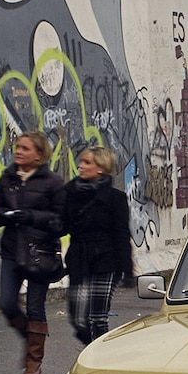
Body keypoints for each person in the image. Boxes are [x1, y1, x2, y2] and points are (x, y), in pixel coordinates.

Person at [0, 131, 66, 374]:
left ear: (39, 155)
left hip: (40, 252)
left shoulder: (53, 182)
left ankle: (34, 359)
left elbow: (61, 220)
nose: (18, 152)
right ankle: (29, 335)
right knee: (7, 303)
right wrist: (4, 216)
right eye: (17, 147)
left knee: (35, 306)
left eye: (25, 148)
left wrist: (32, 217)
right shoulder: (8, 177)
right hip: (12, 250)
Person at [63, 146, 134, 345]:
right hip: (79, 259)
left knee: (98, 318)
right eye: (81, 161)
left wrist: (128, 270)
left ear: (101, 168)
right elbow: (62, 226)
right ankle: (92, 347)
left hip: (106, 261)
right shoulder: (70, 193)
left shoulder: (115, 198)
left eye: (87, 162)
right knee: (77, 319)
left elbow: (122, 234)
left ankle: (100, 357)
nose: (80, 165)